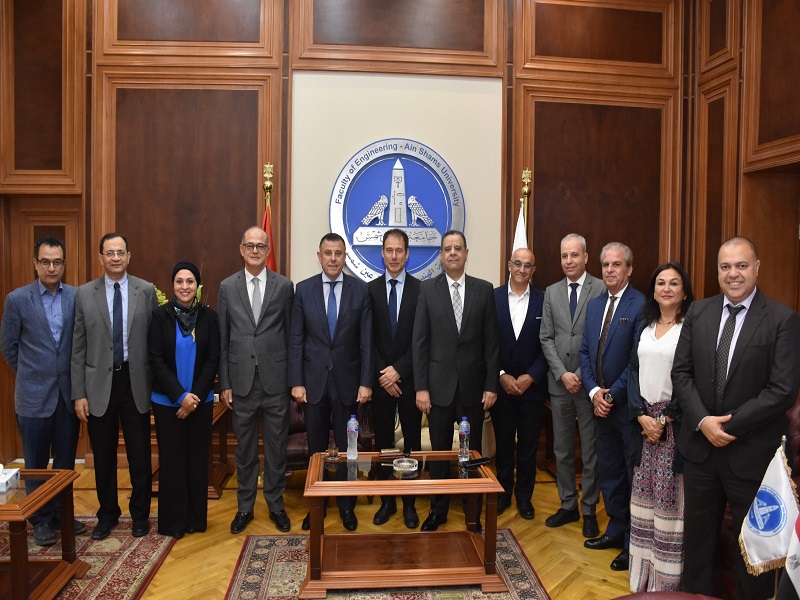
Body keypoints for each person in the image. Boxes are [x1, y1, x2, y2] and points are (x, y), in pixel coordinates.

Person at [672, 237, 800, 598]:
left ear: (757, 268)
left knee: (751, 556)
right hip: (700, 451)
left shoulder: (781, 319)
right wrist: (703, 422)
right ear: (717, 271)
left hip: (751, 456)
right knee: (697, 547)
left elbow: (782, 390)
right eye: (726, 266)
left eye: (741, 266)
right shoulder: (699, 312)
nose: (733, 274)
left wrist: (726, 426)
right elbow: (681, 374)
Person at [0, 237, 86, 545]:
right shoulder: (17, 299)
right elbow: (8, 347)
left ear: (65, 264)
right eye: (45, 261)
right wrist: (32, 372)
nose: (52, 267)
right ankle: (39, 519)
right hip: (33, 397)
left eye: (57, 262)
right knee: (35, 463)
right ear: (35, 263)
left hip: (67, 395)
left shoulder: (77, 297)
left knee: (64, 462)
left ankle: (62, 514)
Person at [72, 232, 157, 540]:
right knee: (104, 455)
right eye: (110, 253)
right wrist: (78, 392)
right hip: (98, 385)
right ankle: (107, 514)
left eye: (121, 252)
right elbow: (77, 347)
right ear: (101, 258)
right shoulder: (83, 294)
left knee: (139, 454)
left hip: (135, 382)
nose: (116, 258)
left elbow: (153, 341)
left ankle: (139, 515)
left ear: (129, 256)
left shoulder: (145, 290)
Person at [412, 230, 499, 532]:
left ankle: (471, 510)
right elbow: (419, 343)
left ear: (466, 253)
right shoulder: (428, 290)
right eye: (447, 248)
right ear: (441, 254)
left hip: (473, 389)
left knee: (469, 452)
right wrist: (421, 387)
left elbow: (491, 345)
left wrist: (490, 385)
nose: (452, 253)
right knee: (439, 453)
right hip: (437, 389)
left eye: (457, 248)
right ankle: (438, 510)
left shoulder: (483, 289)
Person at [289, 233, 373, 532]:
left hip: (348, 384)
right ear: (319, 255)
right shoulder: (303, 289)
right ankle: (317, 506)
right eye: (328, 253)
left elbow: (366, 342)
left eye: (338, 253)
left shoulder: (360, 291)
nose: (333, 258)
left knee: (349, 447)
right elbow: (296, 340)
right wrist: (296, 382)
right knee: (316, 448)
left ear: (345, 256)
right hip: (312, 384)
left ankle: (346, 506)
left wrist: (366, 383)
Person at [218, 227, 294, 534]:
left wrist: (292, 381)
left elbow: (292, 337)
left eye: (261, 246)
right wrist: (224, 383)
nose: (255, 250)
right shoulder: (227, 287)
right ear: (241, 249)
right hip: (241, 383)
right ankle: (244, 507)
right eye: (250, 245)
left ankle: (276, 504)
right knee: (245, 451)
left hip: (276, 383)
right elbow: (224, 339)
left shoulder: (284, 286)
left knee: (276, 450)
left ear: (267, 250)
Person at [579, 242, 645, 571]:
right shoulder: (593, 307)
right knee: (610, 474)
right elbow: (584, 354)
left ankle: (633, 543)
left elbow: (635, 363)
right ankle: (615, 531)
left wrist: (610, 396)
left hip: (626, 409)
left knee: (632, 477)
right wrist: (593, 392)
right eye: (605, 264)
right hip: (599, 406)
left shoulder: (641, 305)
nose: (609, 270)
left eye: (616, 264)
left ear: (629, 269)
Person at [628, 262, 693, 591]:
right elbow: (632, 371)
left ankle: (665, 588)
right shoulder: (644, 325)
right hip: (643, 427)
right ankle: (641, 582)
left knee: (669, 509)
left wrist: (664, 418)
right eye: (660, 283)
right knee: (642, 504)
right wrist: (640, 414)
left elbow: (690, 379)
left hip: (674, 427)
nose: (666, 288)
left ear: (683, 291)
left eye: (674, 283)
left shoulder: (691, 327)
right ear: (653, 290)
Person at [148, 262, 220, 539]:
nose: (185, 287)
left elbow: (212, 360)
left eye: (190, 281)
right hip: (167, 403)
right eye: (179, 281)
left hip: (199, 403)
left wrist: (194, 398)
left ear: (198, 286)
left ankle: (195, 520)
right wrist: (179, 396)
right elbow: (155, 360)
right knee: (172, 462)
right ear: (172, 285)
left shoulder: (209, 318)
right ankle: (173, 522)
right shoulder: (159, 317)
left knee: (196, 461)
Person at [540, 233, 605, 538]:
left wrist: (579, 373)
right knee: (562, 450)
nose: (569, 261)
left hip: (589, 384)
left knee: (590, 452)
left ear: (586, 257)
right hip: (559, 384)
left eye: (574, 255)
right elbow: (546, 337)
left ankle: (590, 508)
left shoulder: (601, 288)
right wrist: (563, 374)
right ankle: (568, 505)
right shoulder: (551, 292)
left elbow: (601, 338)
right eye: (564, 256)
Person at [367, 229, 422, 529]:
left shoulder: (420, 290)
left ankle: (409, 503)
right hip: (380, 383)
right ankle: (388, 501)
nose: (394, 256)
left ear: (407, 253)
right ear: (382, 253)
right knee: (385, 444)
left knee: (410, 444)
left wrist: (399, 370)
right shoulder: (370, 290)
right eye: (389, 250)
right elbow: (368, 340)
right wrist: (384, 374)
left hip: (410, 381)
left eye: (399, 250)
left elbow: (421, 340)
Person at [491, 247, 548, 520]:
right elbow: (489, 344)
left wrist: (532, 375)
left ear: (533, 270)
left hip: (532, 390)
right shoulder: (493, 298)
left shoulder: (543, 301)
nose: (522, 269)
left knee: (527, 447)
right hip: (502, 388)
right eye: (518, 264)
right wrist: (501, 374)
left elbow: (548, 344)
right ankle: (502, 494)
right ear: (509, 265)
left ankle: (524, 499)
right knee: (503, 446)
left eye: (528, 265)